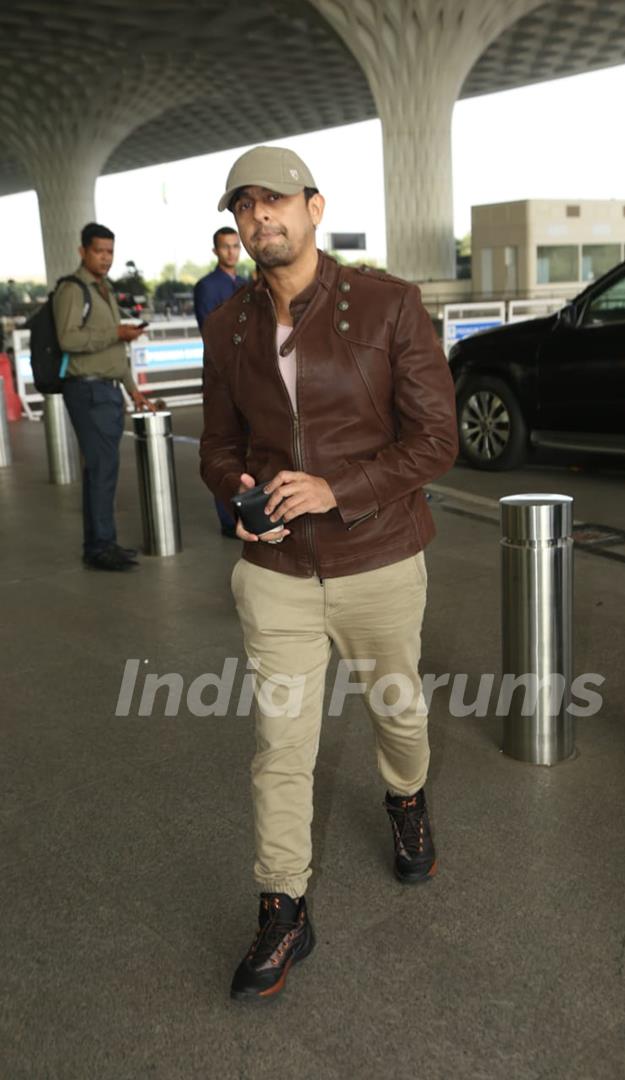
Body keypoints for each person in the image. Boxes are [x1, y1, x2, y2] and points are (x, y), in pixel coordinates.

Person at [200, 145, 458, 1001]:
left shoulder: (388, 304)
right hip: (274, 570)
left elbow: (436, 441)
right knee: (280, 745)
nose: (260, 217)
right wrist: (232, 483)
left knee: (399, 715)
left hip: (376, 557)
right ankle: (284, 907)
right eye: (245, 206)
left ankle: (407, 800)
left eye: (275, 200)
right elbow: (218, 444)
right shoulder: (229, 326)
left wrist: (333, 489)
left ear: (314, 206)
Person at [55, 222, 156, 572]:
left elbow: (115, 349)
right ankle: (100, 547)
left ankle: (102, 542)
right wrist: (114, 331)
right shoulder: (73, 289)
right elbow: (68, 338)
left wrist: (132, 389)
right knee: (101, 469)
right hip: (88, 389)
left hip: (108, 388)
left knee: (104, 468)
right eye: (99, 251)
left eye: (110, 251)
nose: (106, 258)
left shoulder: (104, 290)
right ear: (83, 251)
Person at [193, 227, 245, 537]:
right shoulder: (207, 287)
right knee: (224, 444)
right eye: (225, 247)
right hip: (222, 374)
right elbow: (210, 333)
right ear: (215, 251)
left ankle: (245, 507)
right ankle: (228, 518)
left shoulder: (244, 284)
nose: (231, 252)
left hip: (246, 374)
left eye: (235, 246)